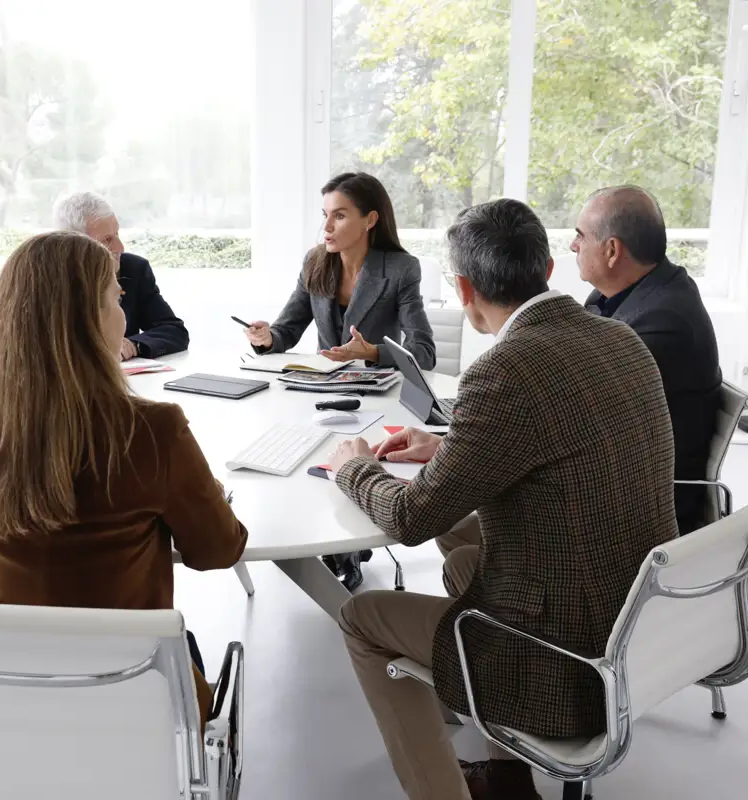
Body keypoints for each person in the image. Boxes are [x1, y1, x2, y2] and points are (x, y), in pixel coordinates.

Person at [327, 199, 678, 800]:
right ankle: (509, 778)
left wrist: (354, 469)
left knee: (362, 616)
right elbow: (557, 442)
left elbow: (411, 519)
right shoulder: (621, 340)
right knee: (466, 560)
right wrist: (447, 447)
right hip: (641, 631)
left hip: (567, 663)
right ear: (545, 269)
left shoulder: (508, 368)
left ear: (464, 288)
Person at [0, 232, 247, 729]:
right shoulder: (156, 430)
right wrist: (209, 494)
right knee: (184, 646)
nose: (123, 312)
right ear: (90, 317)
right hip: (136, 701)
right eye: (115, 295)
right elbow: (218, 551)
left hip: (5, 694)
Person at [245, 172, 436, 592]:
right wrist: (267, 337)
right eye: (325, 216)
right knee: (289, 454)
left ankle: (343, 551)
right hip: (320, 390)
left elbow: (423, 353)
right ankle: (324, 541)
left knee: (340, 455)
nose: (327, 227)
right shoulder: (316, 260)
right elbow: (288, 328)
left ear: (370, 220)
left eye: (340, 216)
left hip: (374, 398)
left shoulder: (401, 269)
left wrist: (370, 353)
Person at [573, 185, 722, 534]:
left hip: (636, 514)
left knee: (471, 527)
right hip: (617, 481)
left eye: (581, 236)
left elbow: (574, 413)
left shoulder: (662, 323)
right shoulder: (625, 294)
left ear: (612, 250)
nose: (573, 245)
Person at [53, 192, 189, 361]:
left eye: (117, 234)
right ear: (74, 244)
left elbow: (174, 330)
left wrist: (133, 345)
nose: (120, 247)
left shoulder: (134, 270)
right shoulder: (47, 278)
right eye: (107, 239)